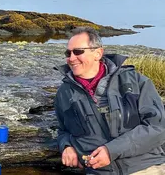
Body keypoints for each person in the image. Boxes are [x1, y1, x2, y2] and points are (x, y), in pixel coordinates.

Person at [54, 27, 165, 174]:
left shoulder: (135, 82)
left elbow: (158, 127)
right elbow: (62, 130)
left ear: (98, 53)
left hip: (145, 166)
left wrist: (111, 151)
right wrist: (66, 145)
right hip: (99, 171)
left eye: (78, 51)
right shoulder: (64, 93)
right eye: (68, 53)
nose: (71, 58)